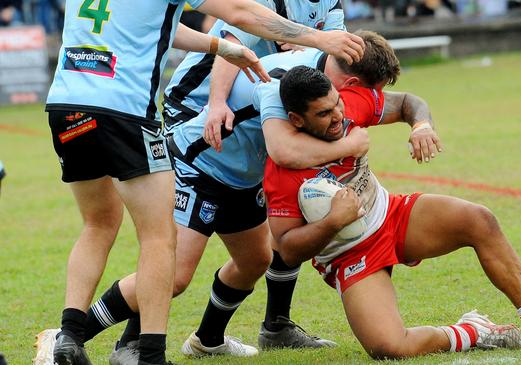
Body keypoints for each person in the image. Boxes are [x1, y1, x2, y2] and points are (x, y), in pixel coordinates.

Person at [36, 0, 364, 364]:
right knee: (161, 243)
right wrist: (321, 39)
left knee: (99, 224)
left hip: (66, 105)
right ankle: (146, 355)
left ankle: (67, 338)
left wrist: (221, 47)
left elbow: (154, 27)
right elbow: (241, 13)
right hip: (128, 111)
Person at [73, 31, 422, 364]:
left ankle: (207, 341)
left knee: (255, 259)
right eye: (368, 91)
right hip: (198, 165)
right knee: (175, 275)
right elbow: (283, 150)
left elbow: (402, 103)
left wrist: (421, 125)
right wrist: (350, 145)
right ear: (351, 84)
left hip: (239, 179)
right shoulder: (280, 83)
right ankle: (70, 337)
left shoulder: (324, 83)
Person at [262, 66, 521, 359]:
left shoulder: (349, 103)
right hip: (350, 255)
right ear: (296, 120)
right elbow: (288, 249)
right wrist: (333, 222)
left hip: (390, 214)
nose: (338, 116)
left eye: (337, 104)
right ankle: (474, 331)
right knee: (389, 348)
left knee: (478, 220)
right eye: (324, 114)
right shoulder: (282, 171)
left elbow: (408, 103)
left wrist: (421, 125)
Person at [163, 0, 346, 136]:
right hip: (194, 101)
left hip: (245, 104)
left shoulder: (330, 3)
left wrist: (306, 46)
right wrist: (217, 102)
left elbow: (333, 57)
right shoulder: (268, 1)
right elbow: (233, 48)